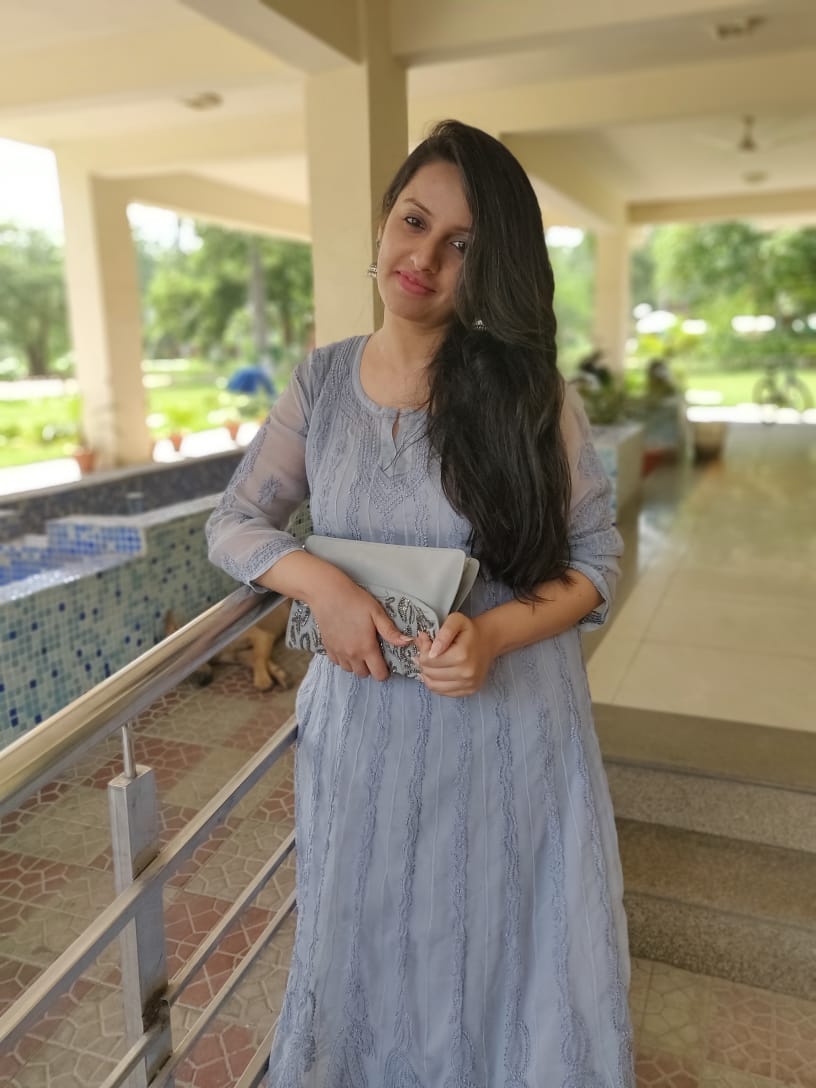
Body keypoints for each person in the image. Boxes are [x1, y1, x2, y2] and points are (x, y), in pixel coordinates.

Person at [206, 120, 633, 1087]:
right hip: (364, 743)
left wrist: (495, 633)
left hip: (508, 734)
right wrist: (323, 585)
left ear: (493, 267)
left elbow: (596, 557)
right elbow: (233, 522)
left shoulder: (530, 395)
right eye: (414, 221)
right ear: (383, 221)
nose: (425, 258)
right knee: (370, 957)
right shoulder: (322, 382)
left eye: (462, 245)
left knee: (508, 966)